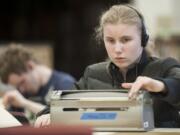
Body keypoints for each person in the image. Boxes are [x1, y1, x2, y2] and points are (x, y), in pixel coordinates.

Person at [34, 4, 180, 128]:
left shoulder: (164, 66)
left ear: (143, 39)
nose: (117, 49)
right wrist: (48, 114)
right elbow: (61, 103)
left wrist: (158, 85)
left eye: (126, 40)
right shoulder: (93, 73)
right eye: (110, 40)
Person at [0, 45, 76, 115]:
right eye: (16, 86)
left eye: (22, 82)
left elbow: (64, 116)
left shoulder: (65, 84)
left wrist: (25, 103)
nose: (21, 89)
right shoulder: (23, 92)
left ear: (30, 66)